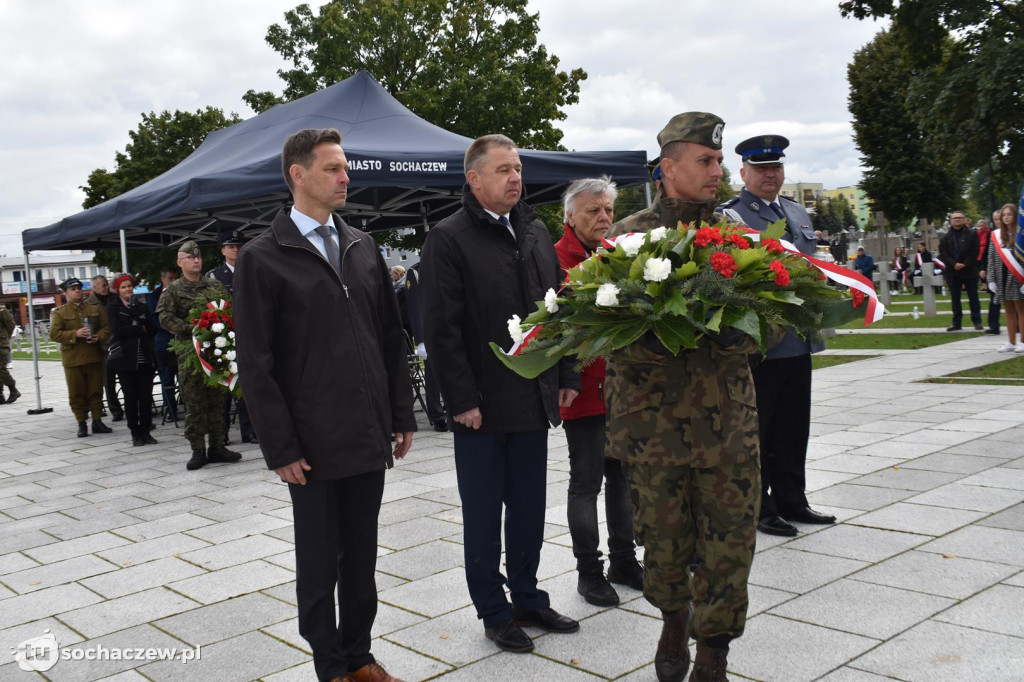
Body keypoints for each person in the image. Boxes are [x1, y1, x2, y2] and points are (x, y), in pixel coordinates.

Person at [234, 127, 415, 682]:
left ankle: (359, 655)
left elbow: (391, 336)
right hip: (310, 444)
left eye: (345, 167)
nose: (345, 177)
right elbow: (256, 362)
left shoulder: (362, 245)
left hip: (366, 433)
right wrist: (279, 446)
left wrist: (402, 413)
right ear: (298, 174)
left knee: (361, 558)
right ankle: (329, 665)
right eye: (334, 168)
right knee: (319, 563)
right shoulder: (264, 258)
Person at [605, 112, 768, 682]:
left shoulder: (740, 239)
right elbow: (599, 332)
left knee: (729, 548)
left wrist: (745, 328)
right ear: (669, 167)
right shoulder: (626, 239)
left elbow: (774, 323)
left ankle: (714, 655)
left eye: (720, 161)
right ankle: (674, 620)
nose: (717, 171)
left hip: (727, 425)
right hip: (654, 428)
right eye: (706, 160)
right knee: (664, 545)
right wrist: (652, 333)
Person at [420, 133, 581, 655]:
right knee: (485, 515)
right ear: (474, 179)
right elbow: (441, 328)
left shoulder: (533, 230)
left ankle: (528, 596)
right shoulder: (449, 237)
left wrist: (568, 375)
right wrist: (460, 398)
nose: (515, 177)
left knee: (530, 510)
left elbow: (557, 309)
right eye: (503, 170)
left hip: (533, 399)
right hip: (482, 408)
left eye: (518, 168)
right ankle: (493, 609)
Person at [719, 135, 835, 540]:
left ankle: (793, 500)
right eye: (762, 169)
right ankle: (762, 507)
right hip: (762, 343)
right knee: (760, 428)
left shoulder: (797, 212)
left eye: (776, 168)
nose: (771, 175)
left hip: (799, 338)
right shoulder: (731, 218)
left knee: (793, 425)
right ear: (743, 173)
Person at [554, 176, 643, 607]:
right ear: (571, 216)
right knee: (586, 482)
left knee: (623, 479)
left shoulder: (619, 255)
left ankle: (624, 561)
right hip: (585, 390)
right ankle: (589, 571)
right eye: (594, 210)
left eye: (608, 209)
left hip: (623, 390)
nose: (604, 217)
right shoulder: (556, 259)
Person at [156, 241, 242, 470]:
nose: (196, 260)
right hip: (190, 355)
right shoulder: (173, 290)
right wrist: (191, 329)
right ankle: (197, 450)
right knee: (194, 402)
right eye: (190, 257)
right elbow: (164, 316)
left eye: (198, 257)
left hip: (215, 351)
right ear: (180, 262)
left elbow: (228, 311)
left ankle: (217, 446)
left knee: (218, 400)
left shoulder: (214, 286)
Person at [207, 231, 258, 445]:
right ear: (222, 250)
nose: (235, 249)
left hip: (250, 335)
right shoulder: (215, 276)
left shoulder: (253, 270)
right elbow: (211, 307)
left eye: (238, 246)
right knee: (225, 388)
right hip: (225, 336)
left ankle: (249, 431)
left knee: (247, 388)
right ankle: (223, 433)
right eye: (230, 246)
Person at [49, 277, 114, 437]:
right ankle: (81, 422)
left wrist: (98, 336)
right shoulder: (60, 313)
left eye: (78, 288)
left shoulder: (94, 309)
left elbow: (107, 327)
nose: (77, 291)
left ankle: (97, 421)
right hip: (73, 360)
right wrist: (74, 334)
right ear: (65, 293)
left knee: (96, 391)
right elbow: (54, 333)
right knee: (76, 392)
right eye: (73, 289)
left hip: (93, 357)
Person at [106, 274, 158, 447]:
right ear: (118, 290)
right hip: (126, 360)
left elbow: (152, 328)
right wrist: (138, 327)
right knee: (130, 397)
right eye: (123, 287)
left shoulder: (140, 306)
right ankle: (135, 432)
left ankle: (146, 431)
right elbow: (118, 331)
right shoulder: (113, 307)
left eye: (129, 286)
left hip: (145, 358)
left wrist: (139, 324)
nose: (127, 289)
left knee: (145, 397)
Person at [404, 262, 447, 431]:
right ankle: (438, 416)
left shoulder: (447, 262)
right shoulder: (416, 272)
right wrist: (421, 340)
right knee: (434, 377)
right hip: (431, 332)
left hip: (451, 329)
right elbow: (414, 308)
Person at [985, 203, 1024, 352]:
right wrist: (991, 279)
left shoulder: (1021, 234)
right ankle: (1011, 341)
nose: (1006, 218)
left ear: (1016, 216)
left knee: (1021, 309)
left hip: (1018, 275)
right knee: (1007, 309)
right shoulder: (996, 235)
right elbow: (991, 257)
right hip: (1002, 275)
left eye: (1009, 214)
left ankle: (1023, 341)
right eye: (1004, 215)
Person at [86, 274, 124, 421]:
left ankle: (127, 406)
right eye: (103, 285)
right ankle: (114, 410)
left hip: (119, 343)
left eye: (107, 284)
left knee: (124, 377)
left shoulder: (115, 298)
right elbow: (90, 326)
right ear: (94, 287)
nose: (106, 287)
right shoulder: (89, 304)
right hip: (102, 347)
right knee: (108, 381)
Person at [939, 210, 983, 331]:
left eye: (960, 218)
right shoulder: (945, 237)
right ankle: (956, 322)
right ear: (951, 221)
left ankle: (977, 321)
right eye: (955, 218)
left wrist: (965, 264)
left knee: (973, 297)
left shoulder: (972, 234)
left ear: (964, 220)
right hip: (953, 271)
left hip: (969, 270)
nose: (957, 220)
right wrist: (954, 264)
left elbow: (975, 251)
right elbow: (943, 254)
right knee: (955, 298)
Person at [148, 267, 180, 421]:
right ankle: (170, 409)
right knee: (167, 378)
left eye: (175, 278)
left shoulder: (181, 293)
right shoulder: (154, 295)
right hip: (164, 343)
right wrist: (170, 327)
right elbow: (154, 318)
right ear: (163, 279)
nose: (173, 281)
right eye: (170, 278)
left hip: (180, 341)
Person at [976, 218, 1002, 335]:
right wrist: (983, 268)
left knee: (1014, 300)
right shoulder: (992, 235)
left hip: (1011, 271)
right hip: (996, 272)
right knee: (994, 300)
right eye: (996, 219)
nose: (999, 220)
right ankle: (993, 325)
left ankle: (1018, 325)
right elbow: (987, 253)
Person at [0, 306, 21, 404]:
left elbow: (11, 325)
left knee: (1, 369)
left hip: (1, 344)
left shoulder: (1, 310)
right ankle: (0, 395)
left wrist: (4, 337)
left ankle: (13, 390)